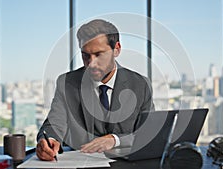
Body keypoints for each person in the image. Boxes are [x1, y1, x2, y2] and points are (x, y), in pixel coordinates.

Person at [36, 19, 155, 161]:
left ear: (116, 49)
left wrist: (115, 140)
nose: (91, 63)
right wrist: (50, 139)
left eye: (99, 54)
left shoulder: (140, 84)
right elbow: (54, 123)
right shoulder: (66, 83)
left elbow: (149, 134)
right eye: (85, 55)